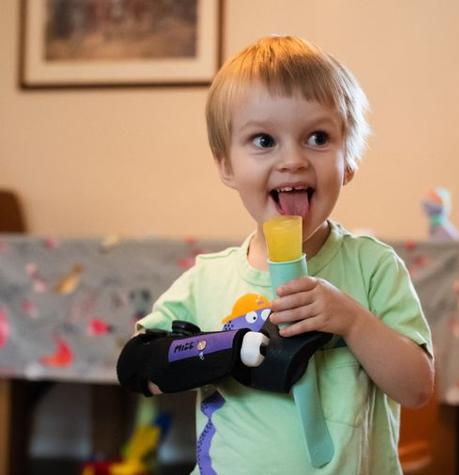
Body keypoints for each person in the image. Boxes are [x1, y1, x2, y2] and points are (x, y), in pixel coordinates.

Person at [120, 35, 434, 474]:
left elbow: (417, 389)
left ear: (349, 160)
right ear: (226, 165)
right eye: (264, 140)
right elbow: (137, 365)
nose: (293, 160)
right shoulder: (208, 280)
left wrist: (353, 320)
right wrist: (224, 350)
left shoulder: (373, 268)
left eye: (318, 137)